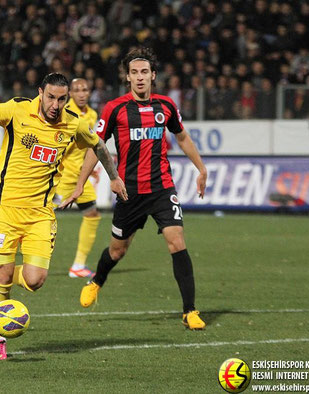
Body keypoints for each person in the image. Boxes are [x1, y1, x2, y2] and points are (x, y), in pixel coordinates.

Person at [0, 73, 127, 360]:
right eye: (51, 97)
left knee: (34, 281)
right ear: (40, 93)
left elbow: (98, 145)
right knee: (4, 276)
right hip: (4, 209)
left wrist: (114, 177)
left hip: (40, 215)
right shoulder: (17, 109)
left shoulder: (73, 124)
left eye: (62, 98)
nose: (56, 104)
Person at [62, 47, 208, 330]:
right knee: (118, 251)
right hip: (129, 192)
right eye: (134, 73)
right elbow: (96, 146)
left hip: (162, 188)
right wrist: (80, 183)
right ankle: (97, 281)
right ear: (127, 78)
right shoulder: (115, 108)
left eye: (144, 72)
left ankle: (190, 310)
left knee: (177, 241)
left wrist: (201, 168)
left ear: (153, 76)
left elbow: (182, 136)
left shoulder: (165, 106)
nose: (140, 78)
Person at [53, 78, 101, 278]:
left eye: (85, 90)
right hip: (63, 175)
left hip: (80, 176)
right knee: (39, 214)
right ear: (70, 93)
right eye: (77, 90)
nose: (81, 93)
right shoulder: (64, 112)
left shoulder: (91, 114)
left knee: (92, 214)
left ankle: (78, 266)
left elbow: (90, 145)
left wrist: (93, 168)